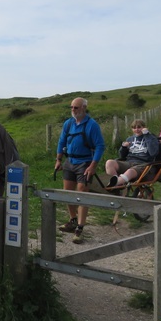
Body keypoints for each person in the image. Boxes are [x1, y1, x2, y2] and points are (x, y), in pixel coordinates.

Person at [55, 97, 105, 245]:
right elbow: (61, 141)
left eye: (76, 107)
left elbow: (100, 146)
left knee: (82, 193)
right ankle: (73, 220)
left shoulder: (92, 125)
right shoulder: (68, 124)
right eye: (71, 107)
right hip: (70, 161)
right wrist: (58, 159)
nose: (73, 110)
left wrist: (93, 165)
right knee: (67, 193)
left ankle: (80, 228)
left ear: (83, 108)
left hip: (85, 163)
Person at [105, 119, 159, 189]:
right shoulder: (130, 139)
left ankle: (115, 184)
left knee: (130, 171)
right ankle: (117, 184)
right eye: (134, 128)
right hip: (129, 162)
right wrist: (123, 148)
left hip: (144, 165)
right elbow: (122, 156)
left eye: (139, 127)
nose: (137, 129)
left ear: (144, 127)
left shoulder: (151, 138)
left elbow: (153, 153)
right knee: (109, 162)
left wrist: (147, 135)